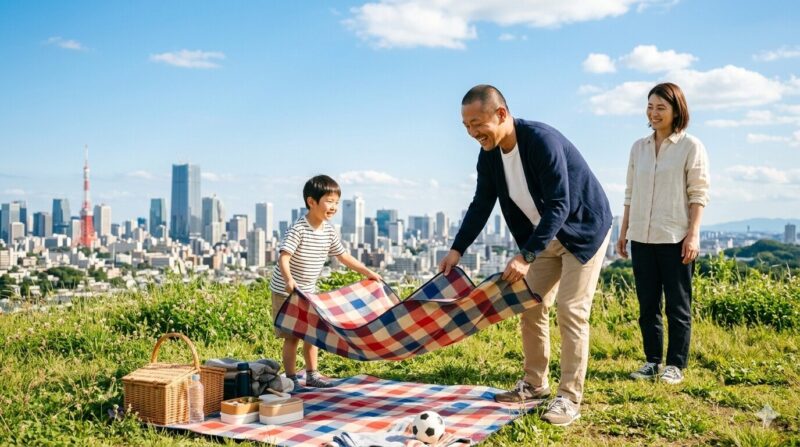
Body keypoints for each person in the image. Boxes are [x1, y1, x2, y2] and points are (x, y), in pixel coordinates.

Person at [439, 84, 612, 426]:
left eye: (477, 123)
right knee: (530, 304)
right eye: (466, 126)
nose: (473, 133)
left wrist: (525, 256)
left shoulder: (540, 141)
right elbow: (481, 204)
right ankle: (535, 384)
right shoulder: (489, 155)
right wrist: (457, 249)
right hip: (544, 236)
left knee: (571, 310)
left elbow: (560, 204)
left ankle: (568, 397)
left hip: (582, 231)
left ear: (501, 114)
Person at [616, 82, 709, 385]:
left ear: (676, 111)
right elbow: (630, 193)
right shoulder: (638, 147)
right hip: (642, 236)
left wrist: (693, 234)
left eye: (661, 108)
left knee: (678, 306)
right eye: (650, 107)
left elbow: (698, 194)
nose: (653, 113)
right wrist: (624, 230)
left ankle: (675, 365)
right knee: (647, 306)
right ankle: (652, 362)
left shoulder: (690, 146)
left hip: (675, 237)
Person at [270, 174, 382, 389]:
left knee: (312, 335)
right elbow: (284, 257)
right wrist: (288, 280)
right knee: (292, 337)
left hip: (308, 292)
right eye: (329, 201)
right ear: (311, 202)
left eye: (337, 202)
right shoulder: (299, 229)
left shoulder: (328, 231)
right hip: (286, 292)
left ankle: (312, 374)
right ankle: (291, 378)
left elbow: (343, 256)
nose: (334, 207)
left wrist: (367, 272)